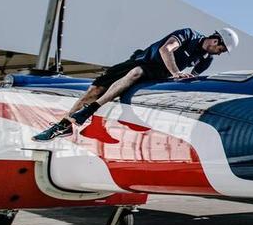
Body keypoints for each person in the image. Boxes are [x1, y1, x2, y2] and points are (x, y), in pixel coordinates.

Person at [33, 27, 238, 141]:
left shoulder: (206, 60)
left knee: (136, 74)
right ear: (215, 41)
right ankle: (63, 125)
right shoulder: (188, 35)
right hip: (146, 61)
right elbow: (166, 50)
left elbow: (191, 79)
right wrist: (176, 72)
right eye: (221, 50)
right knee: (94, 91)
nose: (219, 54)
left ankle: (89, 114)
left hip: (158, 77)